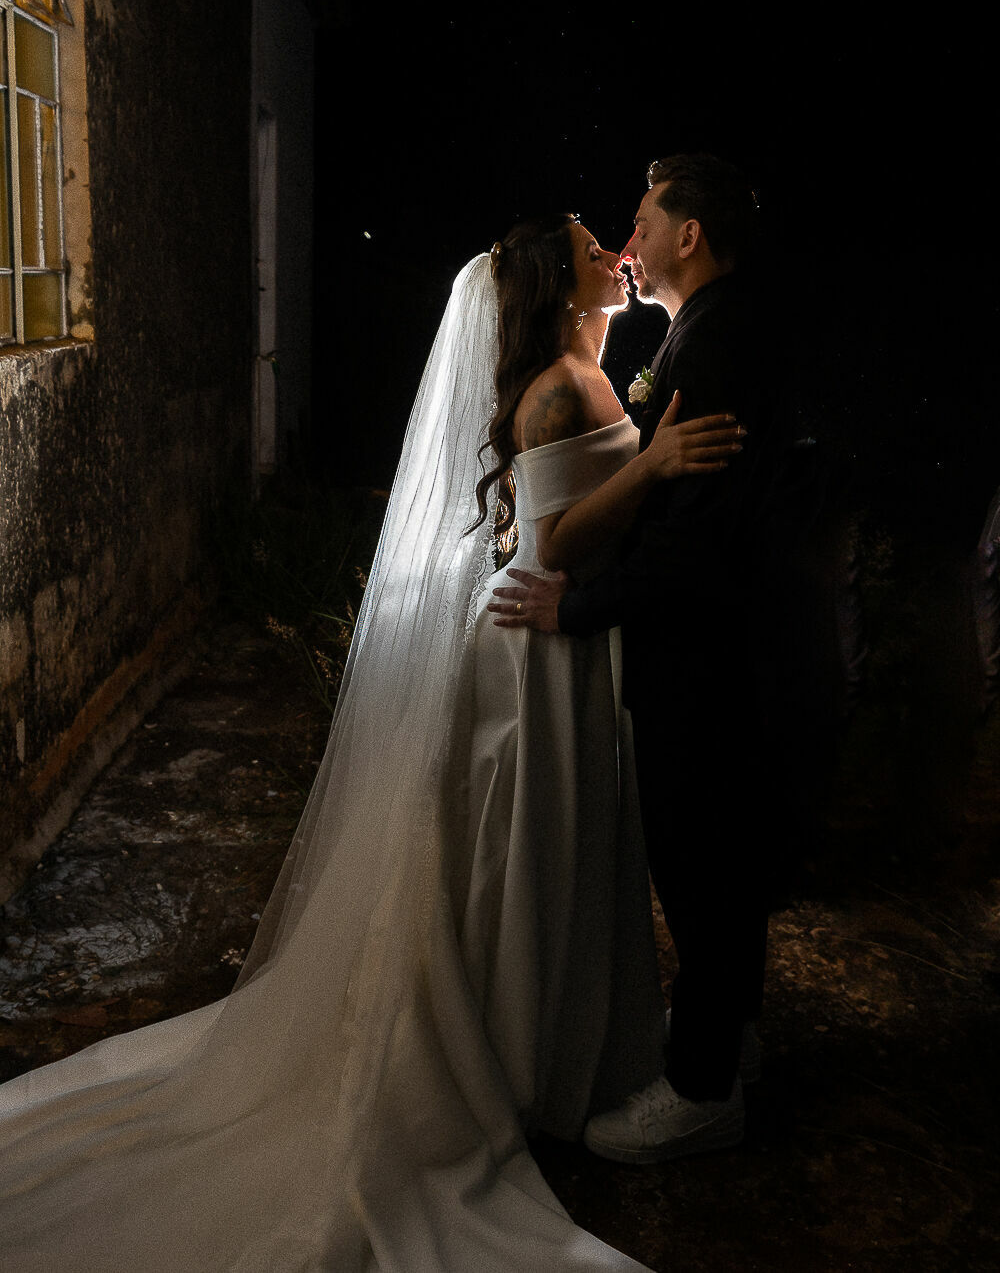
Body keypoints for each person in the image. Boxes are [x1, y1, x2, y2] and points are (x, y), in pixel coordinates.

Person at [0, 213, 740, 1271]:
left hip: (562, 643)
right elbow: (553, 543)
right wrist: (654, 464)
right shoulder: (557, 392)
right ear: (555, 284)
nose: (614, 257)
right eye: (591, 250)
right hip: (534, 648)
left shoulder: (584, 373)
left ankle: (548, 1041)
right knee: (523, 849)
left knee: (542, 847)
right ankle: (520, 1053)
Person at [491, 152, 796, 1164]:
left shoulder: (710, 342)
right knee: (713, 860)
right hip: (704, 643)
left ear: (689, 235)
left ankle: (704, 1090)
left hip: (701, 652)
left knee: (702, 863)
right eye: (605, 238)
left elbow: (689, 544)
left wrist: (579, 611)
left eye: (641, 223)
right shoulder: (701, 332)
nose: (627, 245)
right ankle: (728, 1038)